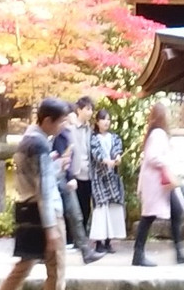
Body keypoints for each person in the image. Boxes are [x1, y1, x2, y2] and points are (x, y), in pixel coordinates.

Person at [0, 98, 70, 290]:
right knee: (56, 269)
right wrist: (51, 228)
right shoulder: (40, 146)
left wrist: (55, 166)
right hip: (46, 213)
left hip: (27, 208)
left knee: (25, 263)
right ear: (47, 121)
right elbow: (44, 190)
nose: (64, 126)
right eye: (61, 121)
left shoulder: (27, 141)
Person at [131, 102, 184, 266]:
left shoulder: (154, 133)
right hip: (158, 182)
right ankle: (138, 255)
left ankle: (178, 252)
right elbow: (154, 157)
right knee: (149, 216)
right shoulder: (158, 133)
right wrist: (167, 163)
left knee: (175, 211)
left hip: (160, 182)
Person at [52, 103, 104, 264]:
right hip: (58, 178)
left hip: (64, 178)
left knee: (76, 215)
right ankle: (42, 252)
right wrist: (69, 176)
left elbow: (67, 158)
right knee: (57, 217)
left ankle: (86, 251)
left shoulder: (68, 132)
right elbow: (62, 158)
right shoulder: (60, 134)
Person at [88, 107, 126, 253]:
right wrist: (105, 160)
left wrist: (117, 157)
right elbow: (96, 153)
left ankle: (109, 241)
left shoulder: (114, 137)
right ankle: (98, 242)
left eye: (108, 119)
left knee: (113, 208)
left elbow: (117, 149)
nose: (106, 122)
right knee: (100, 209)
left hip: (112, 178)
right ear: (97, 122)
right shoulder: (93, 138)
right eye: (103, 119)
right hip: (99, 178)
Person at [70, 97, 95, 230]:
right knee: (74, 207)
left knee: (86, 207)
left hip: (88, 172)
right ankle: (72, 237)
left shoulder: (90, 129)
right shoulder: (71, 128)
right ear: (79, 110)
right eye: (87, 109)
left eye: (91, 109)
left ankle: (82, 235)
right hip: (75, 172)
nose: (90, 112)